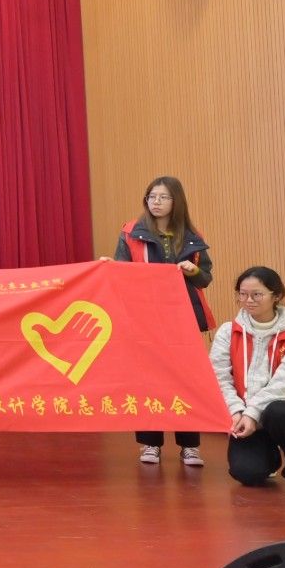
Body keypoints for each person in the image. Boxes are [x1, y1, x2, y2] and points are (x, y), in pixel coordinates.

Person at [115, 176, 213, 466]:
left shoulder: (192, 235)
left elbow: (205, 278)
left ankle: (190, 446)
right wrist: (110, 269)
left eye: (163, 197)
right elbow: (121, 274)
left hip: (182, 317)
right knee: (148, 380)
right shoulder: (131, 232)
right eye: (151, 197)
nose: (156, 202)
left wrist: (193, 270)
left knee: (186, 380)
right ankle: (150, 444)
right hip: (144, 317)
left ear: (176, 202)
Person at [212, 267, 285, 492]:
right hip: (244, 417)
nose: (248, 300)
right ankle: (268, 457)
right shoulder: (227, 332)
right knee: (247, 473)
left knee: (279, 410)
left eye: (257, 295)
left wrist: (253, 412)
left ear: (276, 296)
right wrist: (236, 411)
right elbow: (219, 376)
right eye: (243, 294)